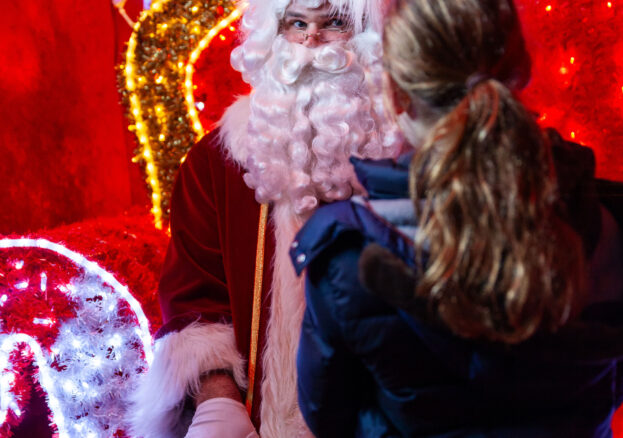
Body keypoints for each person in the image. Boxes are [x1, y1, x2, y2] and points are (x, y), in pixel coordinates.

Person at [292, 0, 623, 435]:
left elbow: (329, 415)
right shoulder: (609, 219)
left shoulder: (347, 256)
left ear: (396, 92)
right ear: (520, 70)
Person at [128, 0, 402, 437]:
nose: (311, 40)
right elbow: (197, 297)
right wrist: (217, 402)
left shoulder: (404, 150)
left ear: (366, 36)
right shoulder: (214, 162)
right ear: (272, 35)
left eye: (333, 23)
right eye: (297, 23)